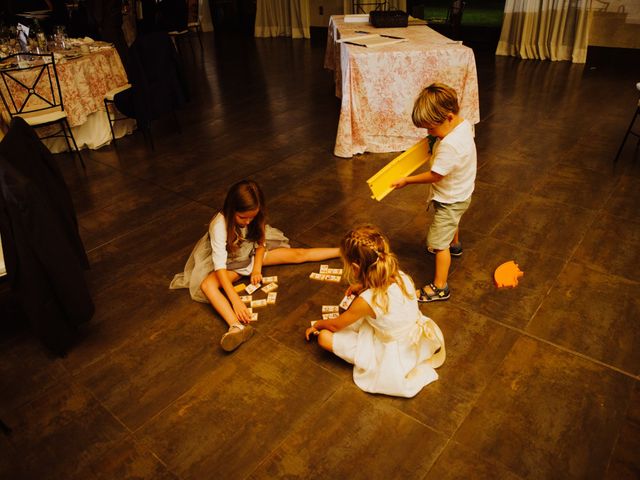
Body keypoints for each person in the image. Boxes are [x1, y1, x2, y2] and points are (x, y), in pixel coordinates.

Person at [171, 180, 340, 352]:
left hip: (251, 255)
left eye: (252, 217)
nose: (247, 222)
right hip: (231, 264)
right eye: (242, 217)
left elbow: (260, 244)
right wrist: (235, 300)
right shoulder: (219, 226)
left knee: (299, 254)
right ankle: (236, 327)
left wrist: (257, 268)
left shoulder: (255, 217)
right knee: (207, 285)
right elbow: (220, 266)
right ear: (231, 210)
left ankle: (342, 251)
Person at [305, 225, 445, 398]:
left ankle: (372, 362)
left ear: (356, 268)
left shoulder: (367, 301)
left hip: (391, 352)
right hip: (413, 338)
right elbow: (380, 285)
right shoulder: (400, 275)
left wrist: (318, 324)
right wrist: (363, 286)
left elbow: (335, 325)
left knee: (324, 337)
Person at [391, 83, 476, 302]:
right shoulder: (464, 124)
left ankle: (440, 287)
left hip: (449, 198)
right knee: (452, 220)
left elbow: (436, 175)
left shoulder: (449, 146)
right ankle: (454, 244)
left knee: (438, 242)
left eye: (431, 128)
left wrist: (407, 180)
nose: (429, 133)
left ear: (448, 117)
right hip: (461, 192)